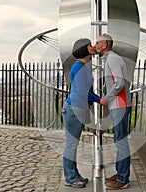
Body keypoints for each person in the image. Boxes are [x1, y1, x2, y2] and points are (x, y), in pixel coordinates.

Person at [62, 38, 102, 188]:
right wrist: (100, 100)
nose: (93, 47)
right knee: (71, 144)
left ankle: (74, 174)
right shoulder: (79, 67)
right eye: (90, 45)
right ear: (84, 48)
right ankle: (70, 178)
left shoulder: (82, 66)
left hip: (77, 108)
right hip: (74, 109)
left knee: (73, 143)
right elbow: (82, 91)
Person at [94, 34, 132, 190]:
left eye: (97, 43)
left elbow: (119, 83)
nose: (94, 45)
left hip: (120, 105)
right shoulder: (109, 59)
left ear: (105, 45)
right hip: (118, 105)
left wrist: (106, 98)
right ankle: (120, 172)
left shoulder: (113, 59)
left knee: (121, 142)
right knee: (119, 140)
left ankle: (123, 179)